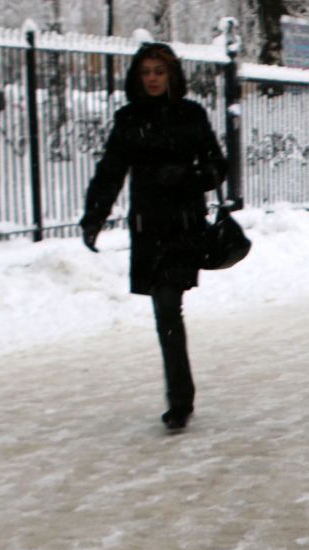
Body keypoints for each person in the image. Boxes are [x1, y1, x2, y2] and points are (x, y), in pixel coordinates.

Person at [81, 42, 228, 432]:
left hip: (183, 225)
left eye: (159, 71)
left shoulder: (191, 115)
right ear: (137, 76)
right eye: (146, 72)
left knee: (167, 306)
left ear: (171, 75)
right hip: (148, 228)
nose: (152, 79)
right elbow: (111, 170)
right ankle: (181, 396)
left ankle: (179, 402)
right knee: (164, 312)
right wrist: (94, 215)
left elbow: (218, 166)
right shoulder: (129, 118)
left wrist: (187, 177)